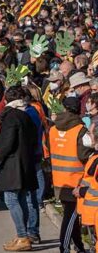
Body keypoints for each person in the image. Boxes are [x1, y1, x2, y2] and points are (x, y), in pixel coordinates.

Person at [0, 86, 40, 252]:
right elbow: (35, 138)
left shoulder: (11, 117)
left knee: (11, 199)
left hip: (14, 164)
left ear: (7, 100)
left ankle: (22, 236)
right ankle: (23, 234)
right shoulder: (27, 115)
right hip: (25, 162)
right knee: (21, 199)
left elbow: (7, 143)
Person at [49, 95, 90, 252]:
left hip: (59, 179)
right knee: (71, 217)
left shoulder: (53, 129)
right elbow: (85, 155)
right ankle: (64, 247)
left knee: (71, 216)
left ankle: (78, 246)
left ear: (64, 108)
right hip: (76, 180)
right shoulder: (80, 130)